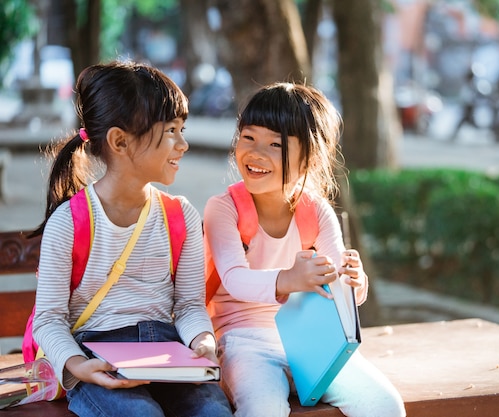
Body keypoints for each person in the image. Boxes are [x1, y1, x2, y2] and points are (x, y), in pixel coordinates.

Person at [31, 61, 233, 417]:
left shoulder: (180, 216)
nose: (183, 144)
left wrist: (202, 340)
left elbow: (188, 306)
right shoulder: (69, 223)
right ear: (120, 141)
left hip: (170, 355)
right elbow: (49, 319)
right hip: (98, 361)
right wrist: (78, 365)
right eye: (171, 130)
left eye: (182, 129)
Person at [203, 82, 406, 417]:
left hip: (310, 340)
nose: (255, 152)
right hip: (243, 342)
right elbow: (236, 279)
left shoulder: (317, 211)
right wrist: (289, 278)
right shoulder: (224, 209)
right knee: (264, 410)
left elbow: (338, 288)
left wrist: (353, 284)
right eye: (249, 137)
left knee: (383, 405)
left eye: (275, 144)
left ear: (310, 157)